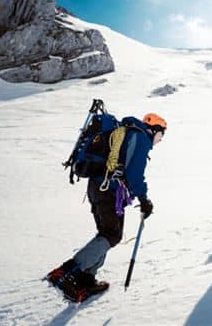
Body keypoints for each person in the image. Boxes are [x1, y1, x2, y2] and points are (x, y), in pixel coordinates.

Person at [47, 113, 167, 301]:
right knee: (112, 234)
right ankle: (66, 271)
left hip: (97, 187)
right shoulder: (141, 138)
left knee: (106, 233)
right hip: (107, 190)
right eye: (162, 135)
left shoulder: (127, 132)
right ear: (155, 129)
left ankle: (86, 279)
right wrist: (144, 199)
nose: (160, 140)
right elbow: (134, 175)